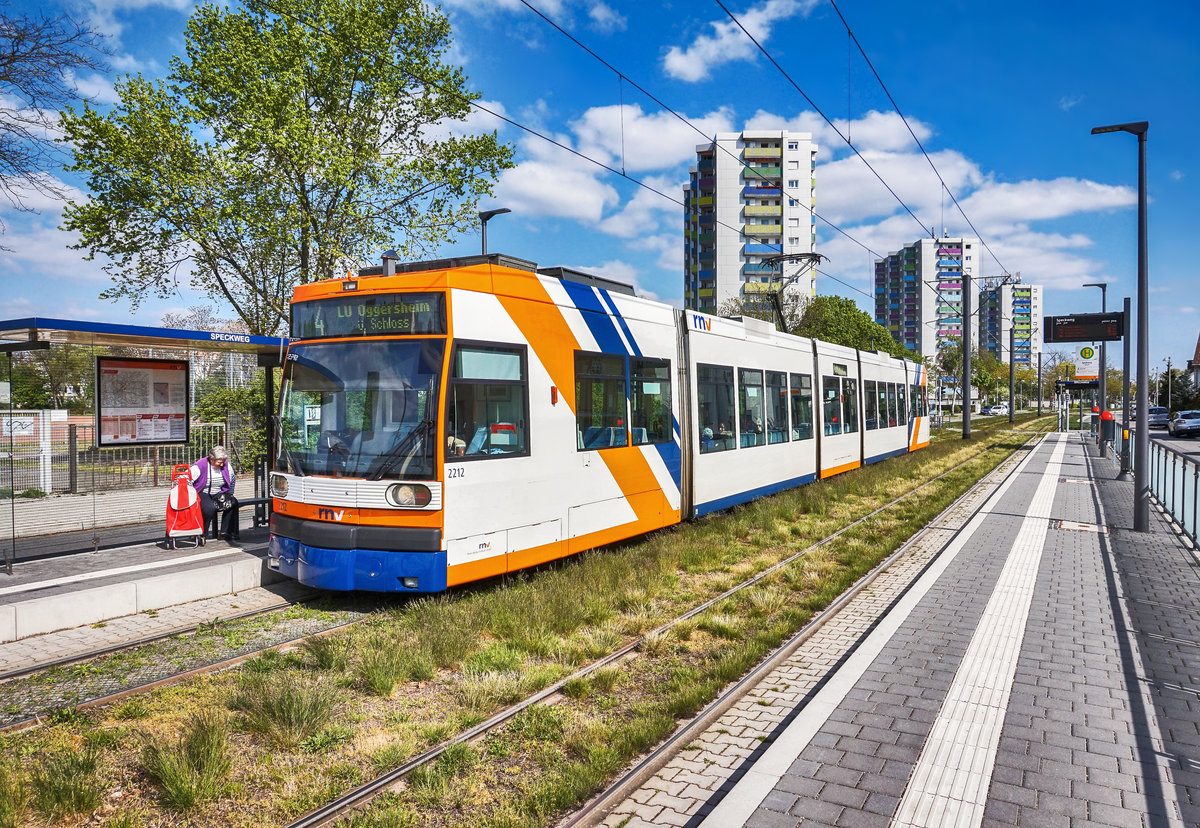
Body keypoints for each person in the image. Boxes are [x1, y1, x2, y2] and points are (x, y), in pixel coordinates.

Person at [190, 446, 238, 541]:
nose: (221, 465)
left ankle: (225, 532)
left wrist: (230, 494)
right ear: (211, 459)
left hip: (219, 491)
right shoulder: (199, 466)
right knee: (209, 508)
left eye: (223, 462)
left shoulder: (226, 465)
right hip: (202, 492)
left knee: (233, 503)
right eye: (219, 462)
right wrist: (191, 495)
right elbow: (187, 480)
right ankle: (202, 532)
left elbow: (232, 479)